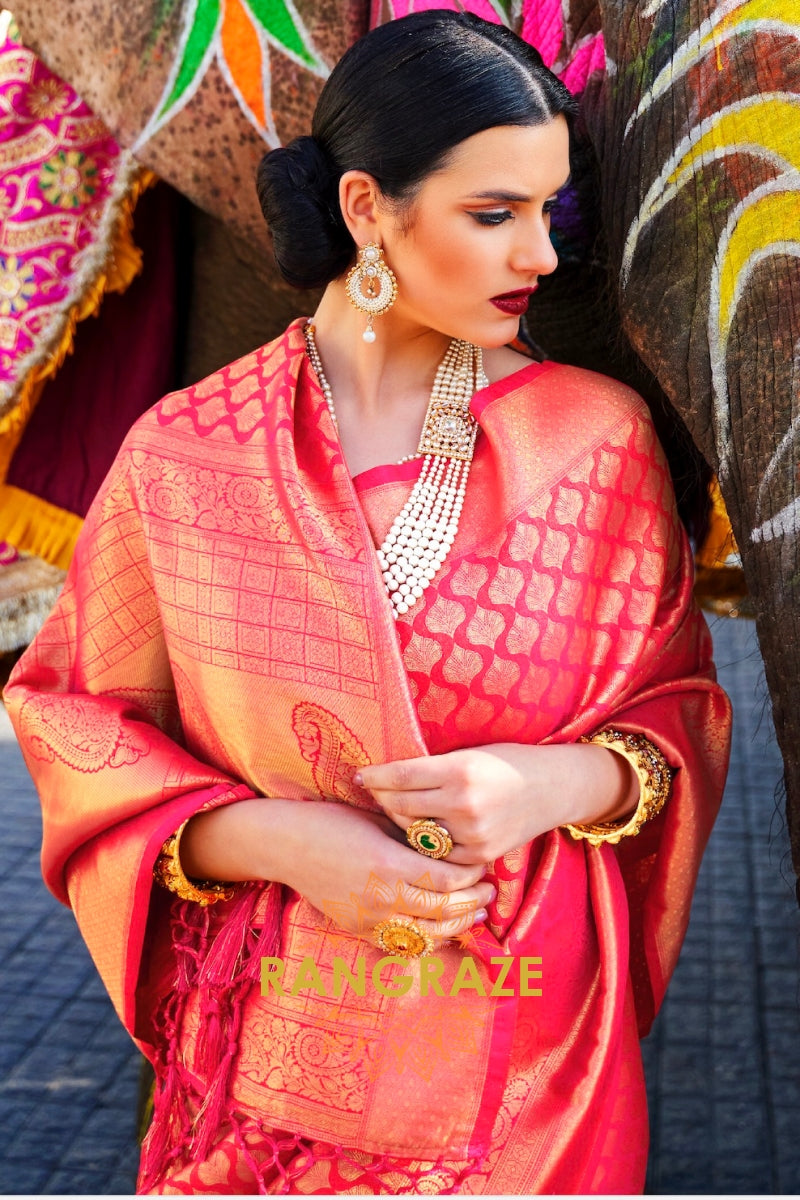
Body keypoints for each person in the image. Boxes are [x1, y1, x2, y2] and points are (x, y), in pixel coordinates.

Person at [4, 10, 731, 1195]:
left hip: (530, 1069)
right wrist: (275, 840)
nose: (538, 257)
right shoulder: (186, 456)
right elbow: (76, 724)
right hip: (249, 1073)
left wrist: (547, 783)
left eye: (545, 213)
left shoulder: (592, 440)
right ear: (363, 210)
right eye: (492, 215)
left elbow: (676, 711)